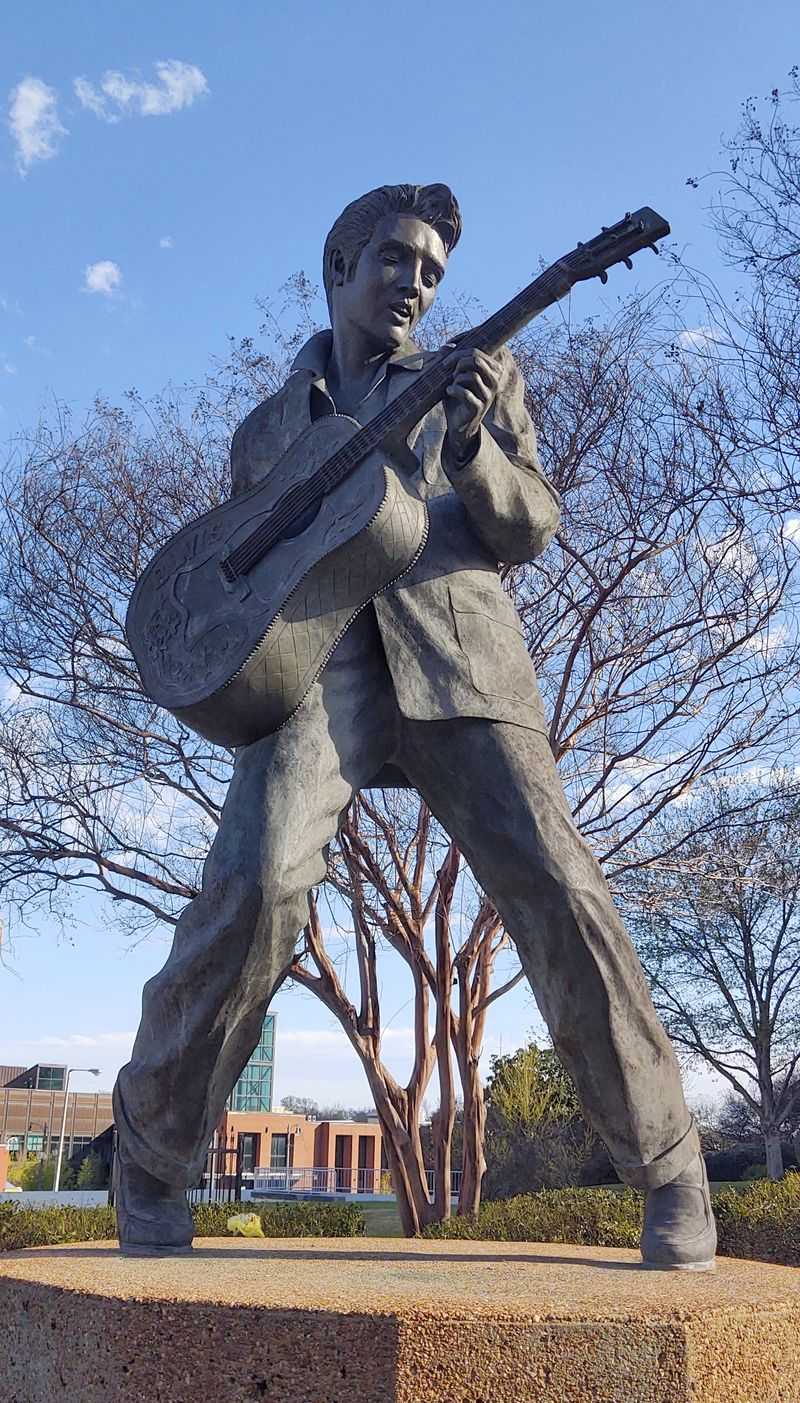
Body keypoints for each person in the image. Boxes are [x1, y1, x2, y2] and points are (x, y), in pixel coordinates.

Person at [114, 183, 716, 1270]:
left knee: (558, 884)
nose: (414, 284)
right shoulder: (266, 430)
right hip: (316, 663)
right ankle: (151, 1154)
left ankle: (669, 1161)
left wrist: (475, 442)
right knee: (251, 886)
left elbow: (529, 524)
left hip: (458, 651)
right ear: (339, 266)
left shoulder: (480, 376)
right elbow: (250, 567)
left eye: (432, 272)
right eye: (394, 258)